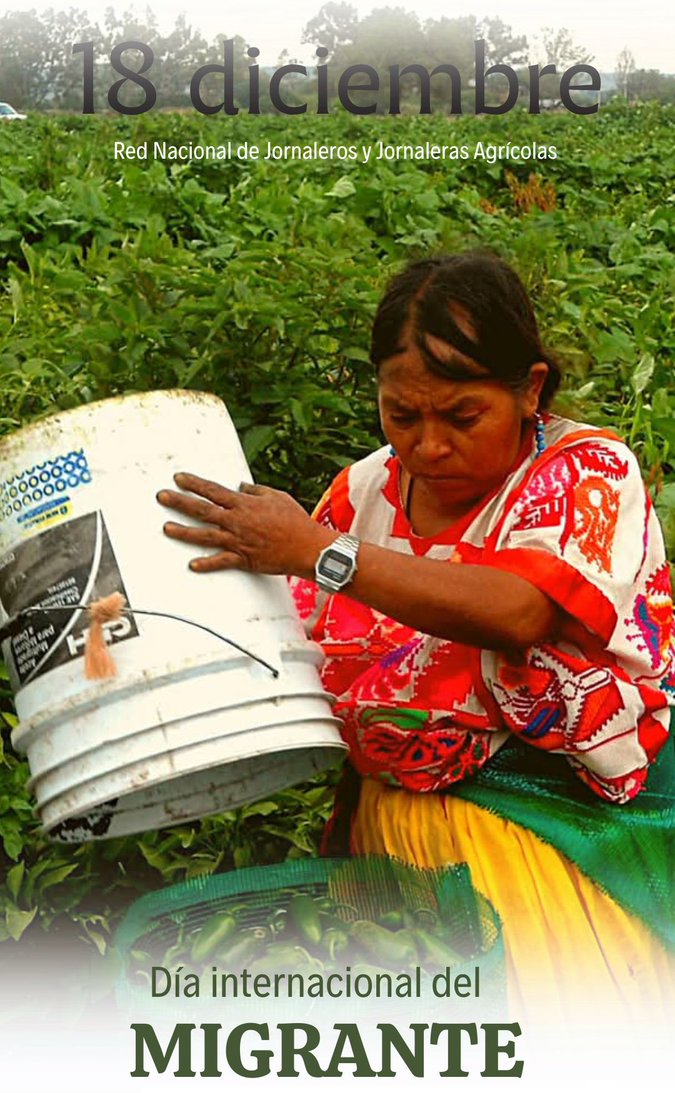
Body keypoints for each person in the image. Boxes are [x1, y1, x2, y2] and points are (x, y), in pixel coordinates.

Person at [157, 252, 674, 1019]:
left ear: (528, 389)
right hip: (392, 835)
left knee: (546, 1033)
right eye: (402, 415)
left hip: (545, 830)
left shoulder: (583, 473)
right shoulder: (362, 492)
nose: (428, 446)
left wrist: (315, 551)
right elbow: (297, 639)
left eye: (462, 417)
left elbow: (517, 610)